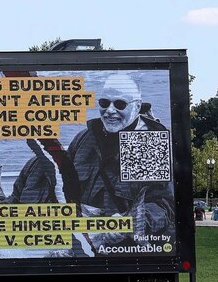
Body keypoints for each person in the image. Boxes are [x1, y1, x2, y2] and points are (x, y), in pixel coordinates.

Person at [67, 73, 175, 253]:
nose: (110, 110)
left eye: (119, 104)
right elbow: (65, 186)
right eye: (104, 103)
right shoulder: (83, 140)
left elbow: (164, 205)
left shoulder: (145, 143)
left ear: (137, 106)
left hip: (130, 253)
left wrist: (127, 224)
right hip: (86, 248)